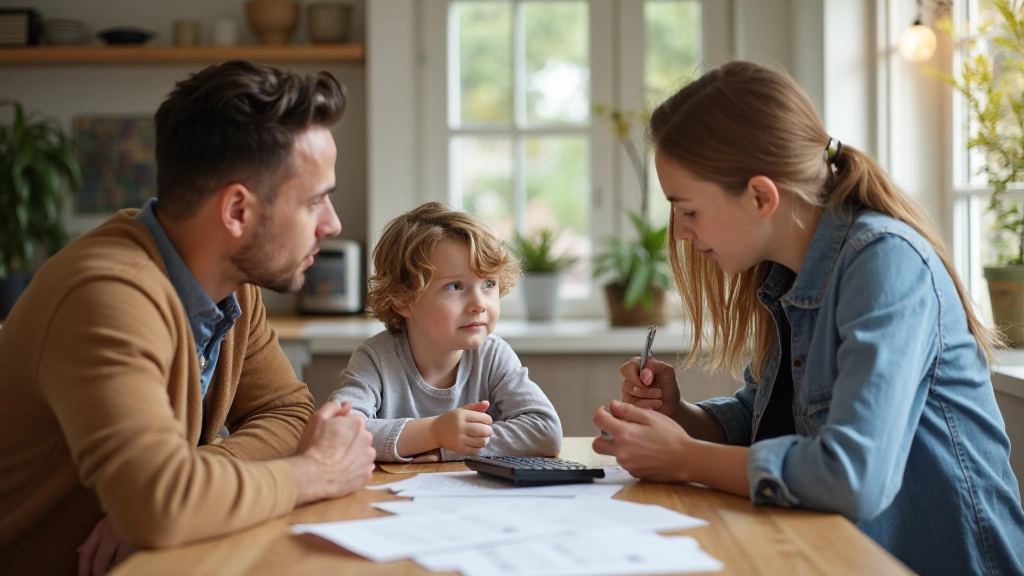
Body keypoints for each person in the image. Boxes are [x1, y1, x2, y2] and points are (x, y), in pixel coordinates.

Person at [592, 60, 1024, 575]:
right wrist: (679, 415)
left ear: (760, 196)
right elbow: (769, 422)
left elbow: (850, 476)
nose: (681, 233)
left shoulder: (885, 262)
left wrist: (683, 457)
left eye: (687, 209)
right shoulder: (788, 277)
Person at [0, 60, 376, 576]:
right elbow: (161, 507)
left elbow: (287, 414)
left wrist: (190, 484)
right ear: (237, 212)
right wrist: (315, 472)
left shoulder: (231, 281)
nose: (332, 224)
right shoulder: (105, 294)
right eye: (316, 201)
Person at [331, 202, 562, 462]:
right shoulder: (375, 359)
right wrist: (433, 432)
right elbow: (339, 432)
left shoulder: (494, 356)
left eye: (488, 284)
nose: (479, 304)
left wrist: (447, 448)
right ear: (403, 299)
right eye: (455, 286)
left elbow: (546, 432)